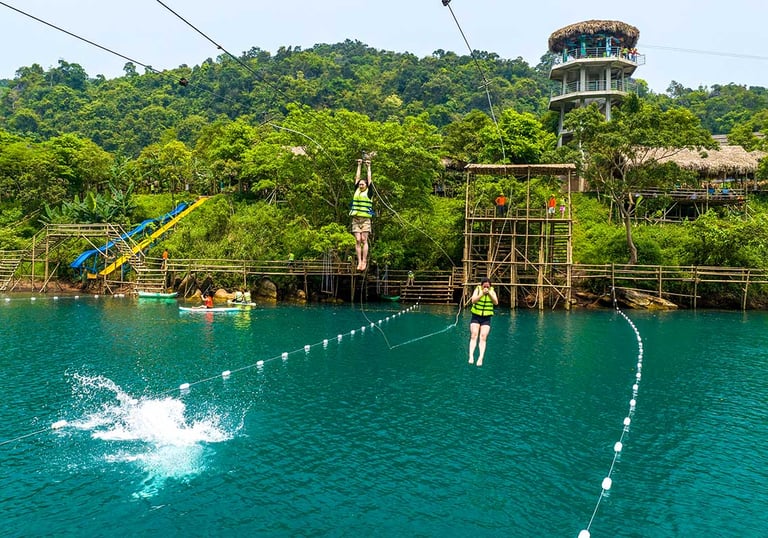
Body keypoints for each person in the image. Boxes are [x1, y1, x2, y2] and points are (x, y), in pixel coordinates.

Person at [468, 277, 498, 367]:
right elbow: (473, 300)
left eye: (488, 286)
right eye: (484, 286)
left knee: (483, 337)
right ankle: (471, 356)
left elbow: (496, 302)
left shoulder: (492, 292)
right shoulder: (477, 290)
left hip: (486, 318)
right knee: (474, 335)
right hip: (476, 317)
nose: (486, 288)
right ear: (481, 286)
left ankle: (481, 357)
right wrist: (481, 294)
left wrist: (489, 294)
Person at [349, 158, 373, 271]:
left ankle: (364, 260)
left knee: (364, 239)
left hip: (365, 219)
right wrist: (359, 165)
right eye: (360, 184)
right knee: (357, 240)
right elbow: (357, 177)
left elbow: (369, 178)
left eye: (362, 184)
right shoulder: (356, 190)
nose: (360, 185)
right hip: (356, 218)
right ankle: (359, 261)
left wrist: (368, 167)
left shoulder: (369, 192)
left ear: (366, 185)